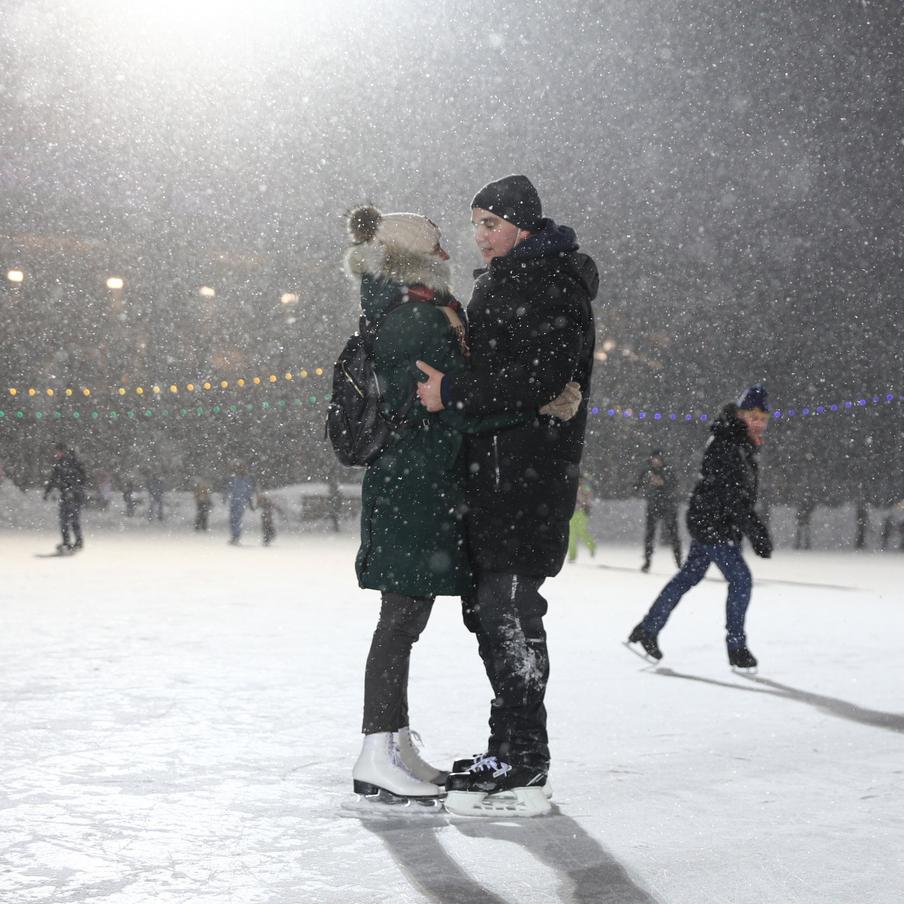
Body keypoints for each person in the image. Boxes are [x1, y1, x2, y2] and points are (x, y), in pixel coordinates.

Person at [345, 204, 582, 806]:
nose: (452, 254)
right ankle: (377, 751)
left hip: (411, 488)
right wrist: (539, 404)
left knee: (405, 619)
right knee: (399, 621)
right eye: (438, 246)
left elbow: (445, 400)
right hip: (417, 489)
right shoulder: (419, 320)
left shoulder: (400, 310)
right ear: (414, 259)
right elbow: (447, 404)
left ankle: (394, 744)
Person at [416, 175, 598, 816]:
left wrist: (454, 393)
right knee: (490, 613)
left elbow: (537, 377)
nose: (480, 236)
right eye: (474, 224)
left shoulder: (550, 281)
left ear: (522, 224)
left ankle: (525, 761)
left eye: (490, 223)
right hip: (494, 477)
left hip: (529, 477)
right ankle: (507, 747)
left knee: (510, 612)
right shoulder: (505, 281)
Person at [627, 385, 773, 669]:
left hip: (712, 521)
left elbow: (737, 496)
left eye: (763, 417)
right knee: (741, 580)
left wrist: (750, 528)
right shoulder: (728, 443)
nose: (758, 422)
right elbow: (732, 496)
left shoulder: (740, 442)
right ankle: (736, 647)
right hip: (713, 524)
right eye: (753, 415)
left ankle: (648, 628)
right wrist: (757, 532)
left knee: (687, 577)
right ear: (741, 414)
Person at [634, 449, 682, 572]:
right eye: (653, 459)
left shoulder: (668, 471)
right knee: (650, 535)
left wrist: (663, 483)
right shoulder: (647, 472)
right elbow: (637, 485)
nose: (655, 462)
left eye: (658, 459)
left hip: (668, 507)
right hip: (653, 506)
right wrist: (644, 484)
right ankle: (647, 562)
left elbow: (674, 484)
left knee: (673, 535)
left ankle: (679, 562)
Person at [43, 442, 87, 552]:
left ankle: (75, 542)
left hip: (74, 496)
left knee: (71, 520)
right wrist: (47, 491)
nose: (56, 454)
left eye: (57, 452)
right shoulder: (61, 463)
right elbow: (53, 478)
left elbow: (80, 479)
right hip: (67, 495)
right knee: (65, 520)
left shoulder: (71, 462)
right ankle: (69, 542)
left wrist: (72, 491)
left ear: (62, 451)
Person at [567, 479, 597, 562]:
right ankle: (572, 555)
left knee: (581, 531)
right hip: (572, 512)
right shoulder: (570, 485)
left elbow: (589, 497)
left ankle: (592, 546)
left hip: (582, 512)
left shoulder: (585, 487)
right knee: (571, 534)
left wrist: (585, 503)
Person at [226, 464, 255, 544]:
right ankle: (234, 536)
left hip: (241, 502)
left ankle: (236, 537)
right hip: (234, 502)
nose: (241, 470)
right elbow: (229, 489)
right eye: (240, 469)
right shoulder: (234, 479)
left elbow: (249, 492)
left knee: (237, 519)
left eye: (243, 469)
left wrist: (250, 503)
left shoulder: (247, 480)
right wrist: (226, 497)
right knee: (232, 519)